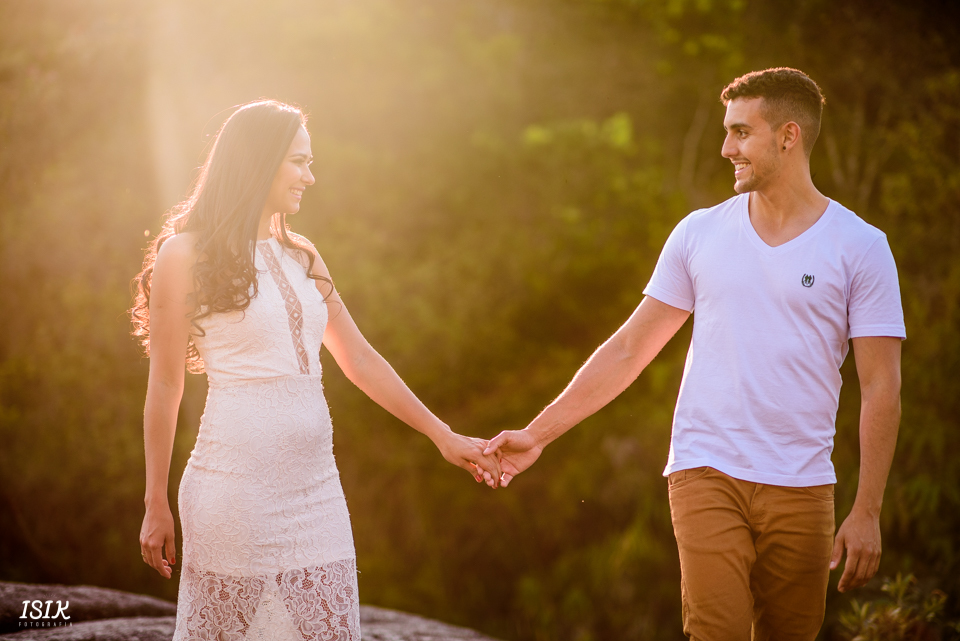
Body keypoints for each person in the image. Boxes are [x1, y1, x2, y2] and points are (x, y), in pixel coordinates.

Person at [484, 67, 904, 640]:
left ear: (789, 136)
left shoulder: (861, 247)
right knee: (715, 631)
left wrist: (868, 511)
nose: (726, 148)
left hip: (803, 483)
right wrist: (538, 434)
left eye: (741, 132)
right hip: (706, 470)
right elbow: (630, 348)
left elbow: (881, 385)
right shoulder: (698, 234)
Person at [131, 100, 501, 640]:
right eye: (299, 162)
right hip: (233, 491)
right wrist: (154, 502)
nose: (310, 177)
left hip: (316, 491)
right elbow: (165, 385)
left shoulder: (303, 255)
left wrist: (443, 436)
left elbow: (360, 358)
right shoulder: (184, 255)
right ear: (260, 160)